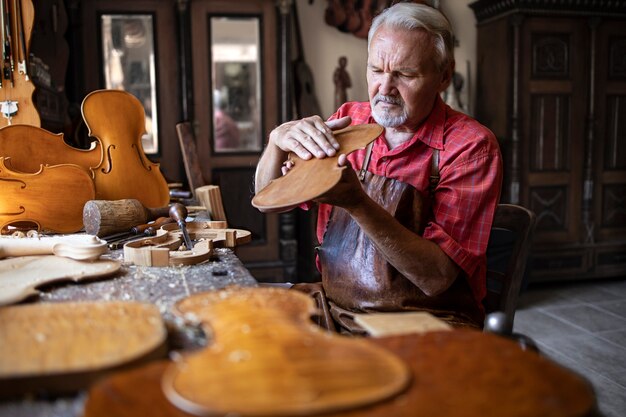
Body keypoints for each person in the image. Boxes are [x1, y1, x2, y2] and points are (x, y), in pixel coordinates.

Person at [254, 3, 502, 330]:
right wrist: (276, 141)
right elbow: (269, 201)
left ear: (444, 75)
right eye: (376, 70)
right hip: (334, 307)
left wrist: (357, 203)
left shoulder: (470, 147)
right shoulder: (350, 120)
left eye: (405, 74)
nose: (385, 89)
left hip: (427, 319)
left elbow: (436, 278)